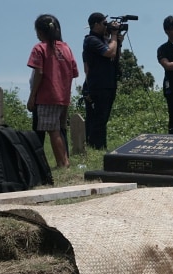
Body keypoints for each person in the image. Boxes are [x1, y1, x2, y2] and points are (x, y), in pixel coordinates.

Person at [26, 14, 78, 168]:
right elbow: (74, 72)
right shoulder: (66, 48)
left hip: (47, 96)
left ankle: (63, 163)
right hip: (63, 96)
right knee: (60, 129)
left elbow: (39, 73)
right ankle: (65, 161)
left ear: (40, 32)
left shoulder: (39, 48)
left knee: (52, 130)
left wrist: (32, 96)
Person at [82, 12, 123, 150]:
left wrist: (118, 41)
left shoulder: (105, 40)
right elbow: (109, 52)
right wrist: (114, 36)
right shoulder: (91, 40)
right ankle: (95, 147)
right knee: (97, 119)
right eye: (104, 23)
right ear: (96, 24)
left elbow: (115, 56)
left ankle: (101, 146)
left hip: (109, 83)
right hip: (98, 85)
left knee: (103, 118)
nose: (107, 26)